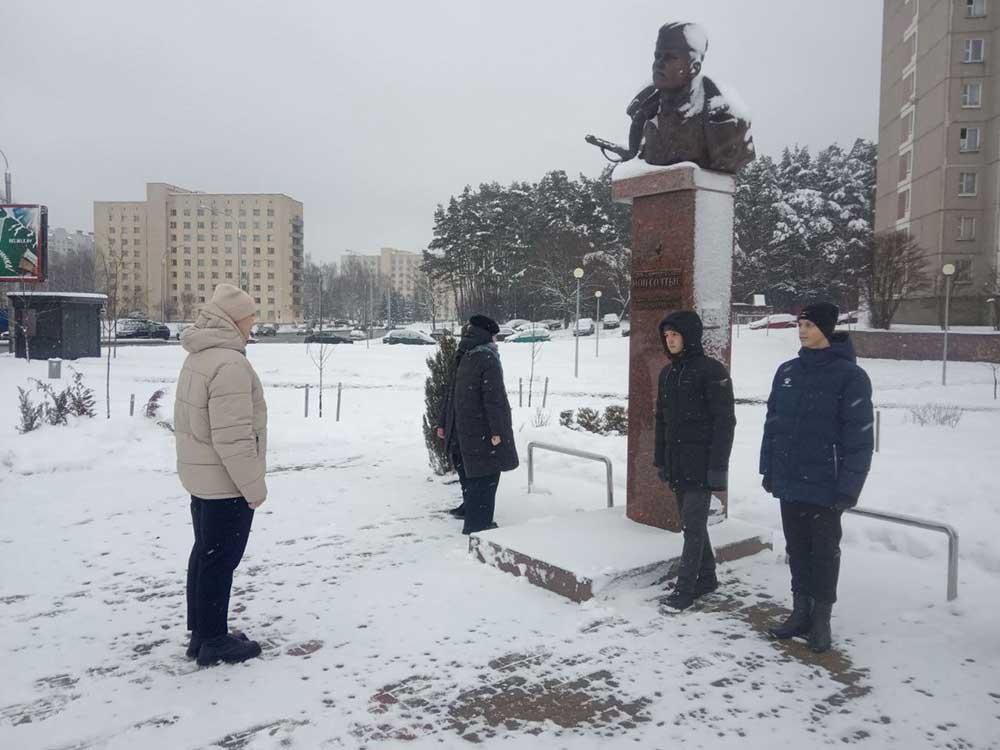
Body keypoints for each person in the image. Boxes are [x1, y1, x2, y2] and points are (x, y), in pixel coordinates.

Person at [760, 302, 874, 653]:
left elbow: (860, 438)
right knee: (797, 549)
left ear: (826, 328)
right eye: (800, 324)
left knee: (823, 553)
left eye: (809, 325)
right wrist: (769, 469)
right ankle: (800, 612)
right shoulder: (787, 371)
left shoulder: (850, 376)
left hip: (827, 483)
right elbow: (773, 425)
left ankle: (821, 619)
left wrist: (849, 487)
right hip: (790, 479)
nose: (802, 331)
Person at [175, 283, 268, 666]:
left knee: (206, 553)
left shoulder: (201, 355)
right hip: (225, 481)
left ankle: (203, 632)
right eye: (249, 319)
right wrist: (253, 487)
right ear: (233, 319)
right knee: (220, 559)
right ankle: (214, 640)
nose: (252, 326)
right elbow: (233, 438)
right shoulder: (229, 364)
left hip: (203, 477)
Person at [654, 311, 736, 612]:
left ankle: (685, 590)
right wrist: (661, 460)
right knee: (693, 525)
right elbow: (661, 421)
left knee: (693, 528)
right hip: (677, 463)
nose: (670, 340)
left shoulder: (711, 371)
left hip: (701, 464)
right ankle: (708, 577)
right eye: (666, 335)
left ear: (689, 336)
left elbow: (724, 422)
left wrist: (718, 468)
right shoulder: (668, 373)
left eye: (675, 334)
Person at [636, 22, 755, 172]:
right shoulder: (646, 112)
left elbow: (729, 159)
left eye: (670, 57)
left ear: (694, 67)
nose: (659, 64)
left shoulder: (724, 115)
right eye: (657, 56)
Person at [451, 315, 518, 535]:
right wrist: (497, 431)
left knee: (472, 474)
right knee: (487, 475)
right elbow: (494, 400)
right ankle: (478, 525)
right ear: (489, 335)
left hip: (465, 427)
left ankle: (471, 513)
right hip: (483, 429)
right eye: (495, 336)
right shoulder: (487, 358)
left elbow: (452, 392)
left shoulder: (465, 353)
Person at [437, 328, 468, 519]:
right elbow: (449, 395)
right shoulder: (463, 359)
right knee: (464, 469)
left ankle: (470, 504)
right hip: (458, 426)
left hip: (462, 427)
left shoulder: (468, 359)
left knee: (466, 470)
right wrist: (442, 422)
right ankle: (468, 503)